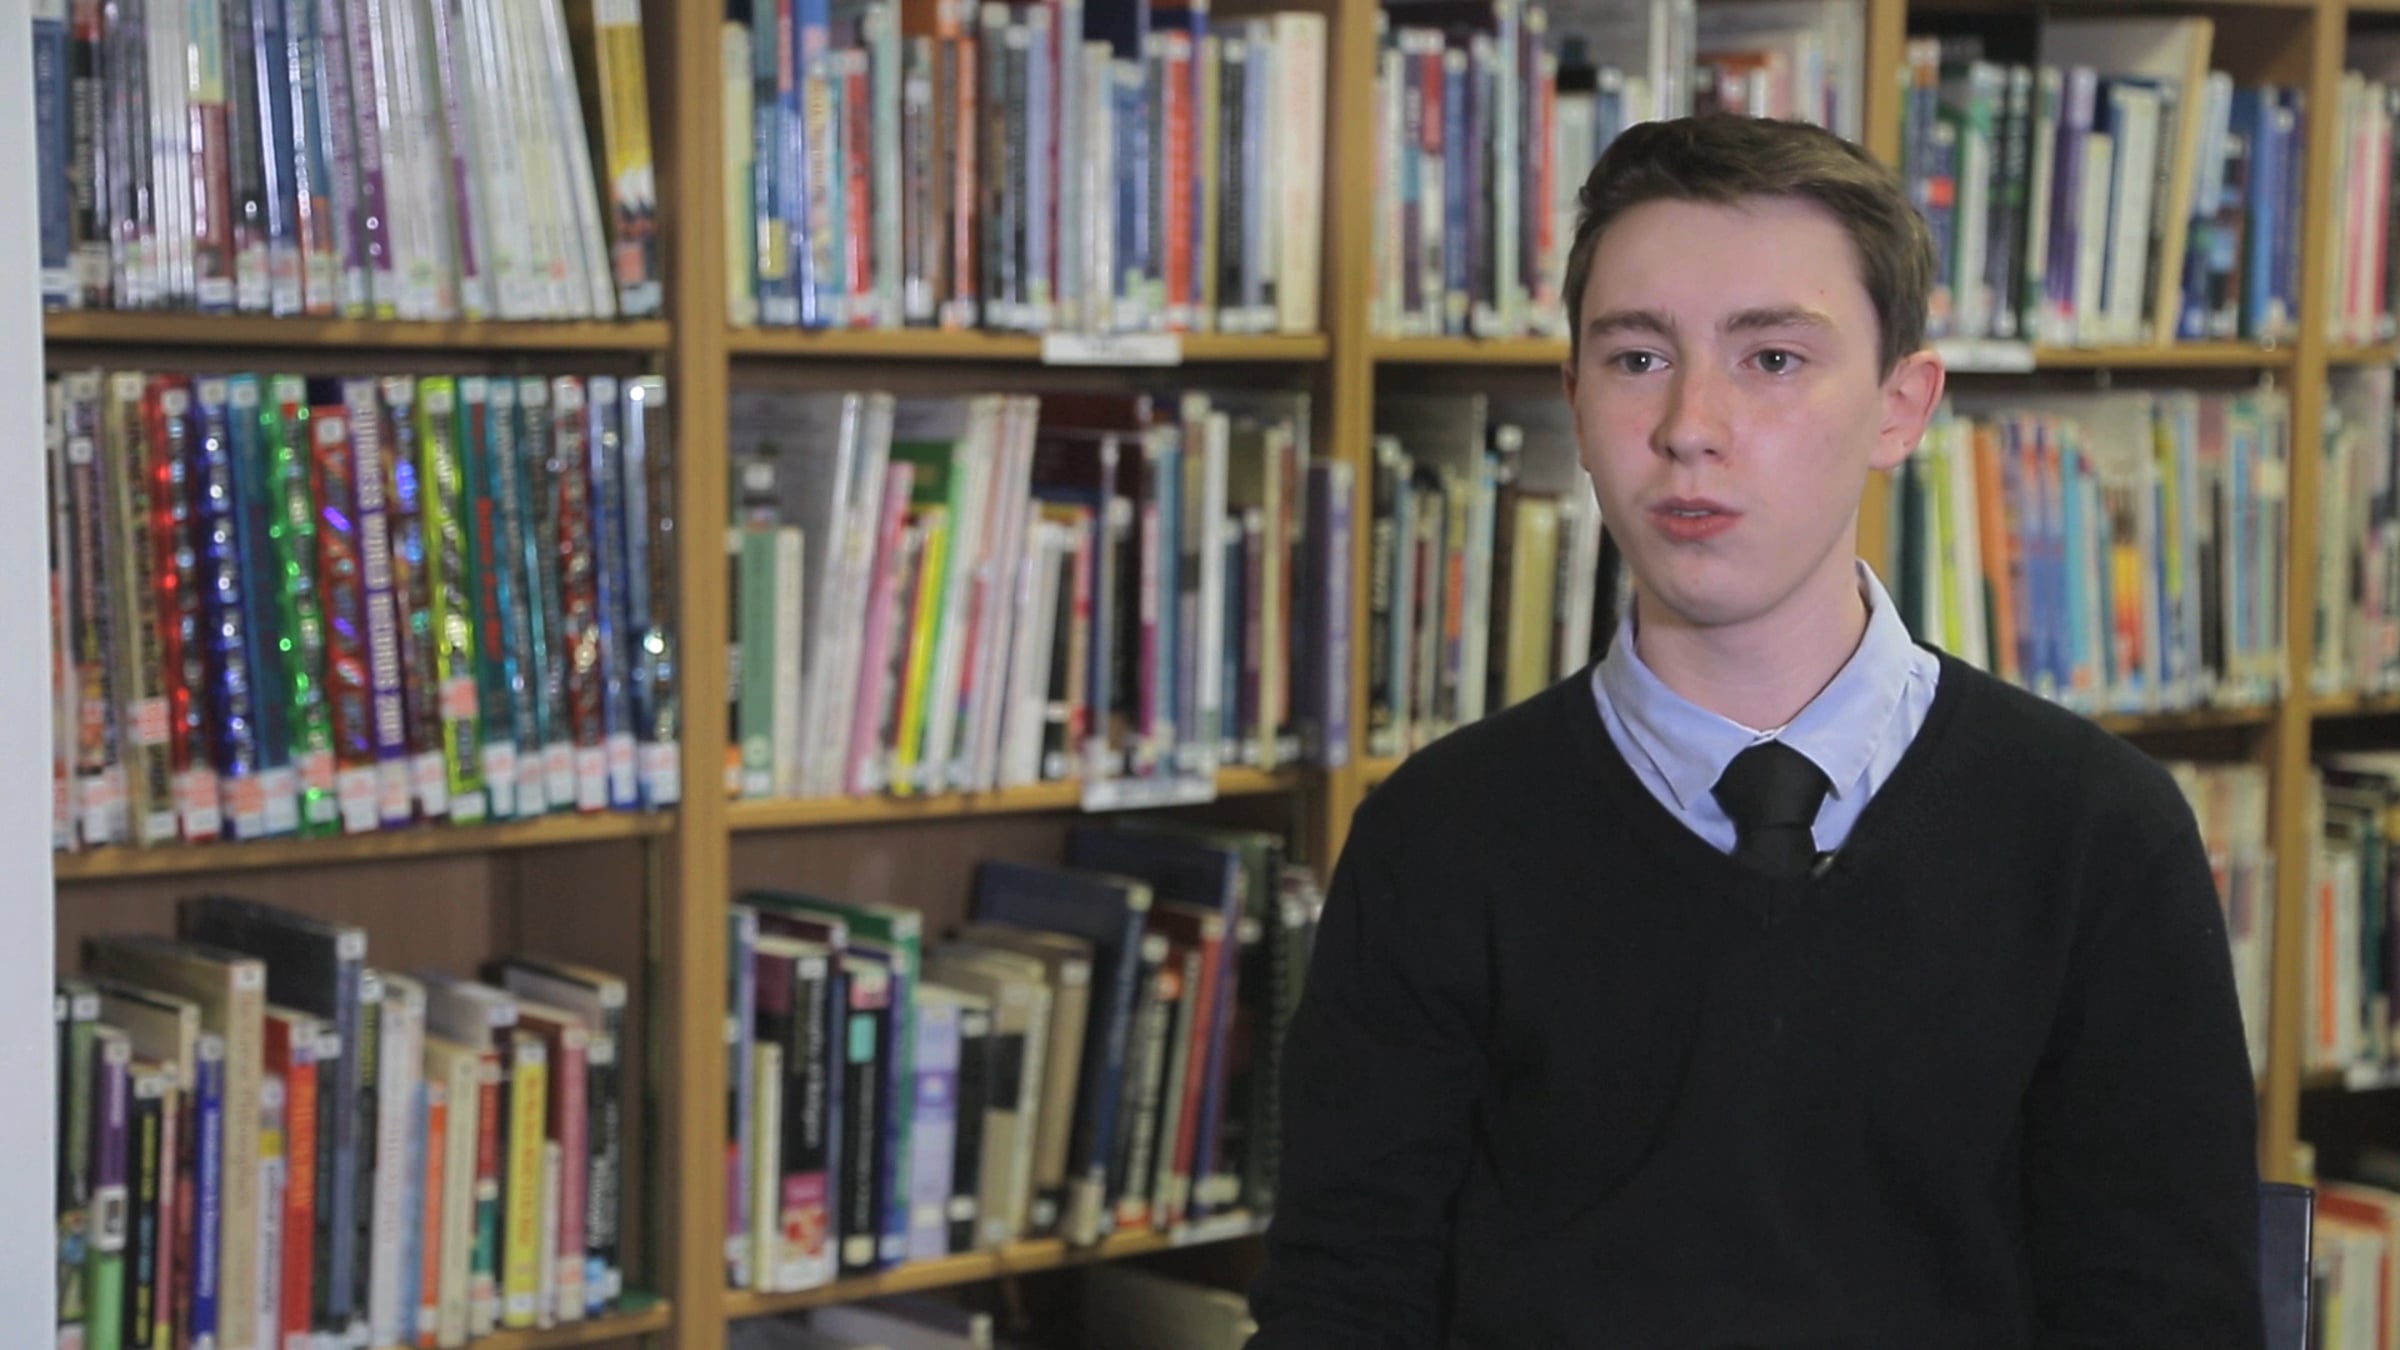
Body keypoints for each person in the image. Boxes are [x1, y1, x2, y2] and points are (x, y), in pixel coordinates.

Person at [1245, 114, 2264, 1349]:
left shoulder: (2097, 835)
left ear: (1901, 408)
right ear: (1574, 401)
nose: (1690, 423)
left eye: (1772, 358)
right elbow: (1343, 1303)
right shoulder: (1437, 836)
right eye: (1636, 358)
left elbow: (2167, 1315)